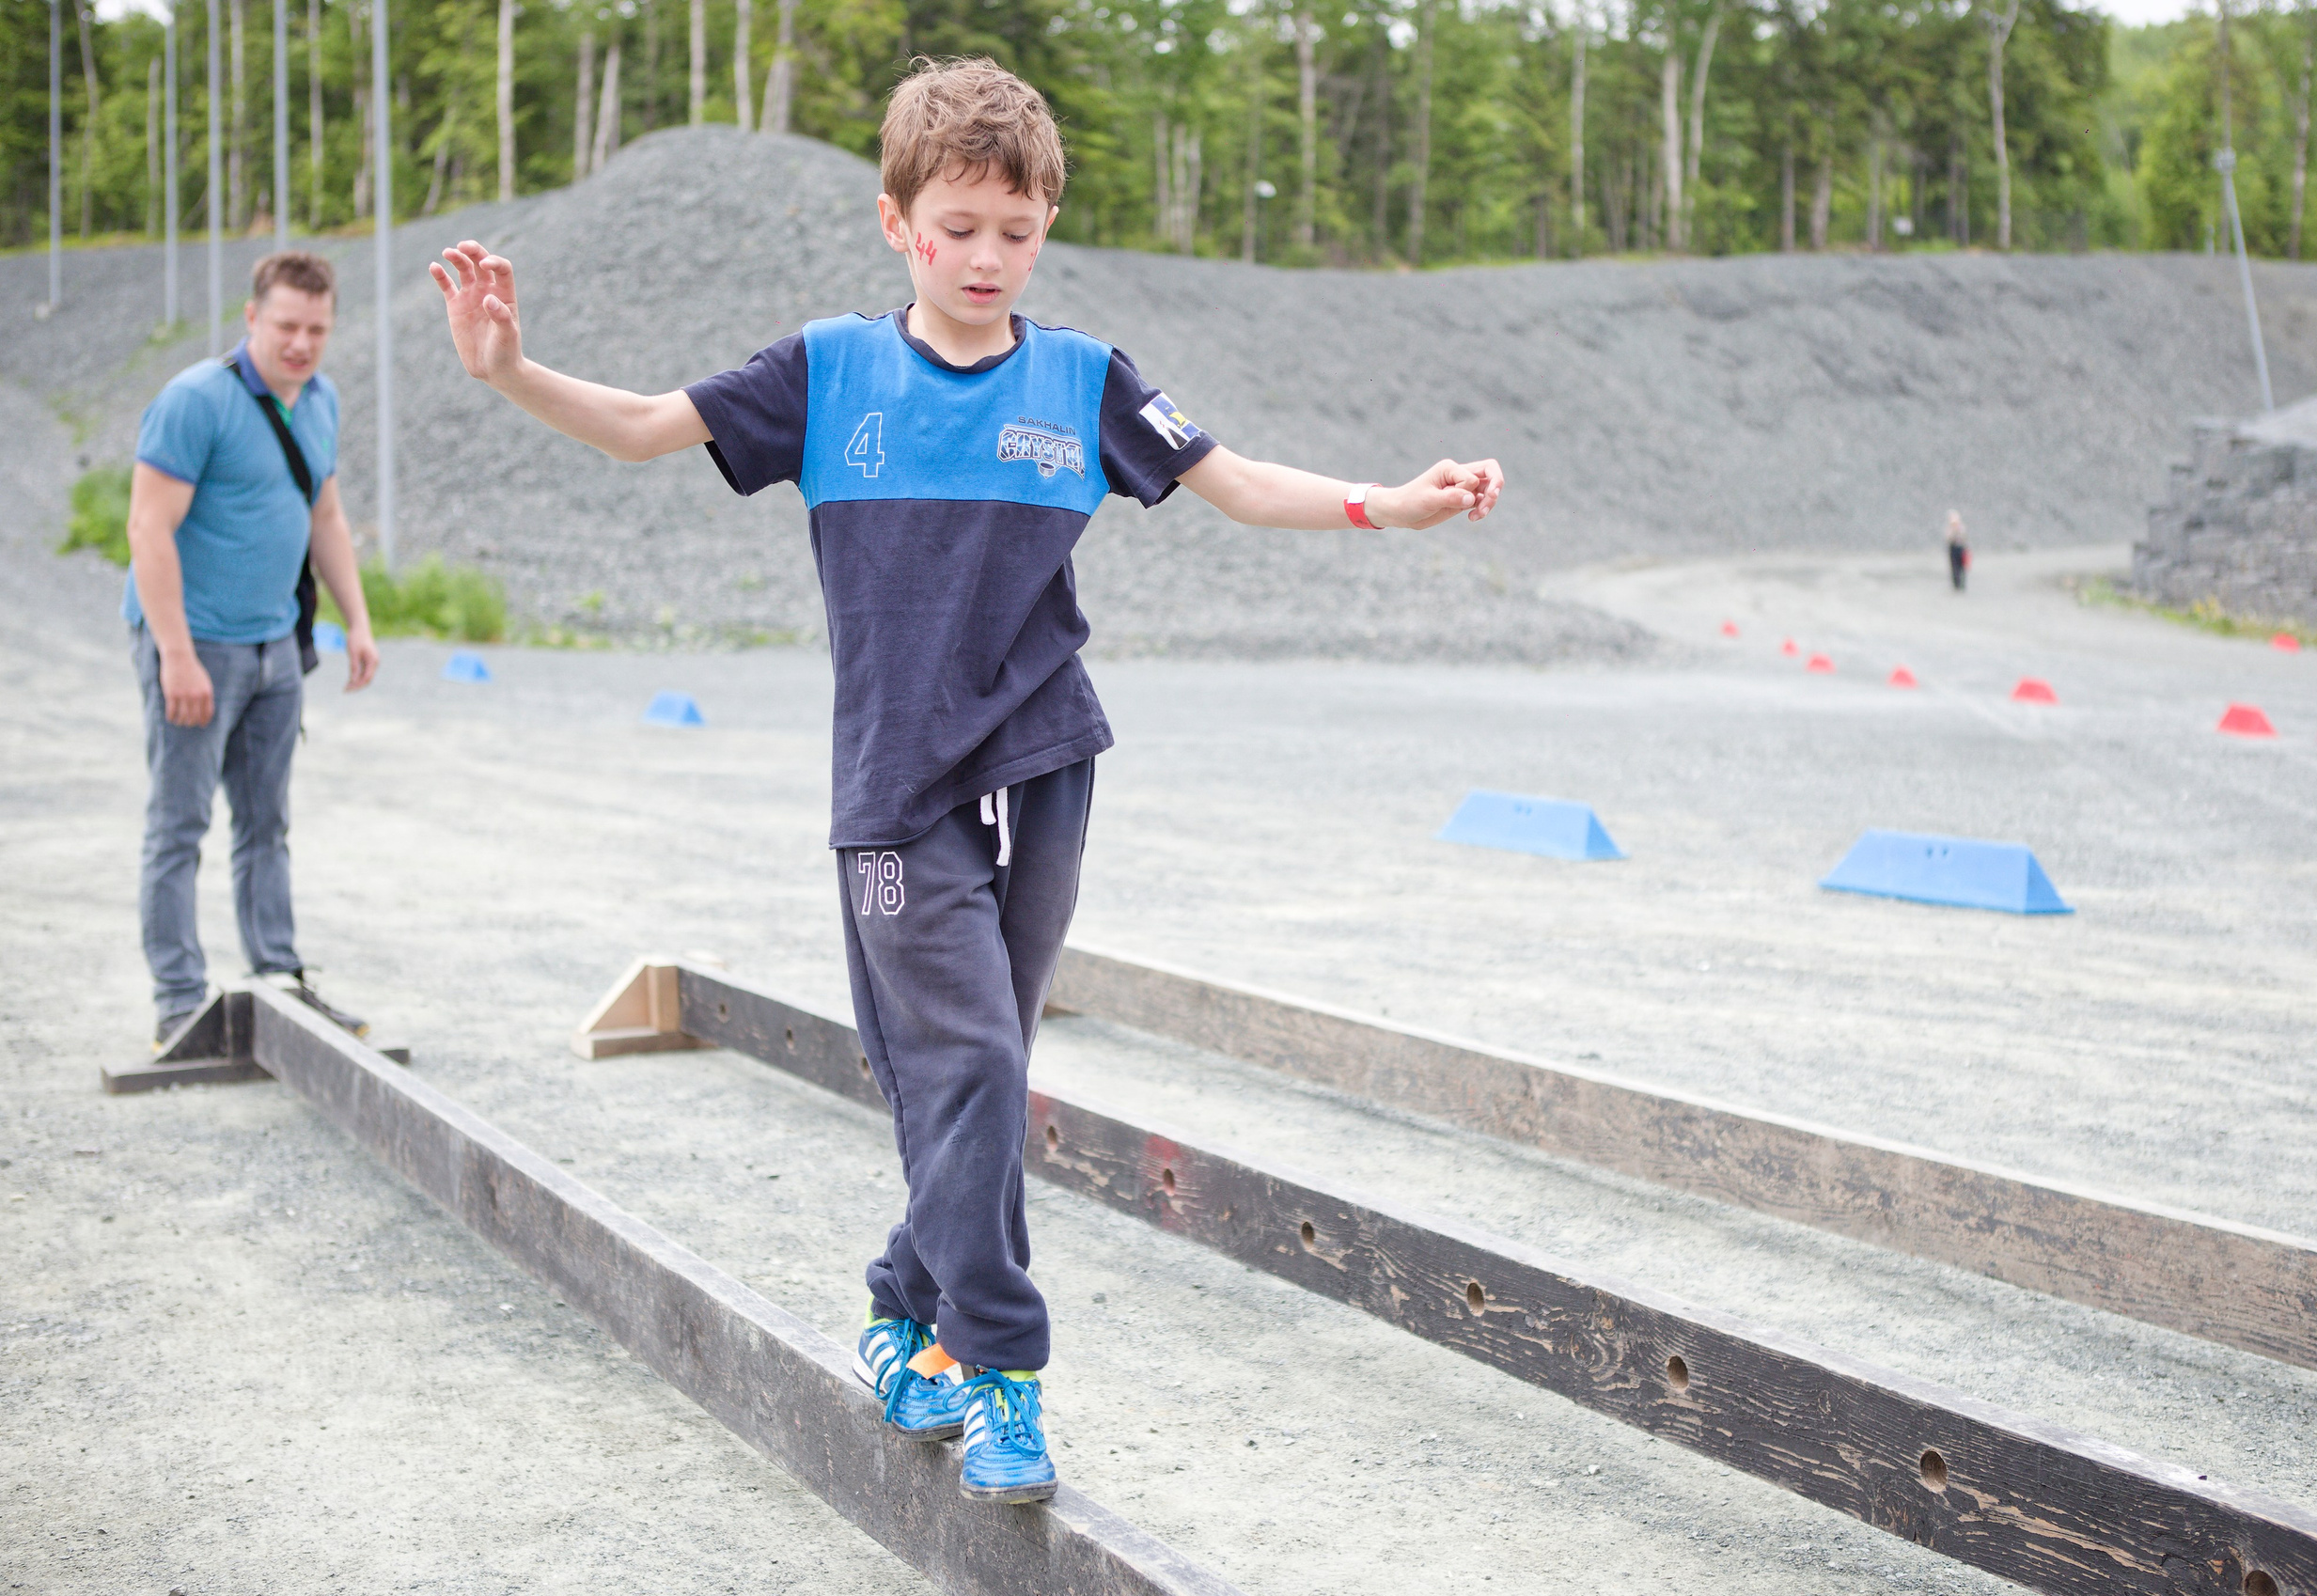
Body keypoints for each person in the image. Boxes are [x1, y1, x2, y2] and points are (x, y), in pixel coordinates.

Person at [430, 56, 1502, 1506]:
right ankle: (1002, 1370)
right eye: (959, 227)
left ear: (1044, 224)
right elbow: (636, 423)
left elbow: (1236, 480)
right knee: (974, 1065)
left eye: (1015, 228)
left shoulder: (1084, 381)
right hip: (895, 787)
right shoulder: (824, 375)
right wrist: (503, 368)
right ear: (899, 226)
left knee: (987, 1069)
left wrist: (1391, 500)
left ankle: (897, 1306)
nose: (987, 257)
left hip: (1047, 759)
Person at [124, 250, 382, 1048]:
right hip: (196, 644)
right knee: (180, 824)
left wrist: (359, 620)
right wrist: (176, 655)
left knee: (265, 823)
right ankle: (180, 1003)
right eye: (286, 326)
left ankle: (278, 975)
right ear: (251, 319)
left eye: (317, 329)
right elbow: (147, 528)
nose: (301, 343)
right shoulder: (194, 402)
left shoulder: (321, 399)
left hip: (277, 648)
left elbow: (326, 517)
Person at [1946, 509, 1969, 591]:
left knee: (1962, 567)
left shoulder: (1962, 528)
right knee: (1954, 568)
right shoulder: (1949, 529)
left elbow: (1964, 539)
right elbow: (1948, 538)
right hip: (1953, 549)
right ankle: (1956, 585)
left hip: (1960, 549)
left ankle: (1962, 584)